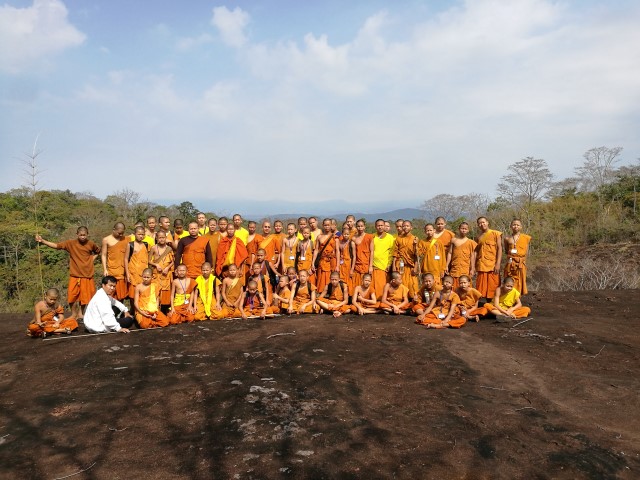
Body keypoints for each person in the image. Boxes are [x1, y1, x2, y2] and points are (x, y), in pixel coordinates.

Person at [35, 226, 100, 319]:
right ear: (77, 234)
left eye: (84, 235)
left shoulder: (91, 244)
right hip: (75, 274)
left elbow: (98, 251)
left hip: (87, 274)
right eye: (81, 235)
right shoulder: (70, 243)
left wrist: (91, 260)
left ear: (87, 234)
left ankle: (81, 314)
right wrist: (43, 241)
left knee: (85, 297)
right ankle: (73, 314)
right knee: (71, 296)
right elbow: (57, 246)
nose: (82, 237)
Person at [475, 217, 502, 300]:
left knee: (493, 286)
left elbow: (499, 248)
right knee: (480, 287)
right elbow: (475, 251)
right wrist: (473, 265)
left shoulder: (496, 234)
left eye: (483, 222)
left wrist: (498, 264)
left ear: (487, 222)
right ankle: (481, 304)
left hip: (492, 265)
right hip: (481, 264)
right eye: (480, 223)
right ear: (478, 225)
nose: (482, 224)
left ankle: (493, 303)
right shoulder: (478, 237)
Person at [101, 222, 129, 301]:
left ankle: (120, 309)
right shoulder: (106, 240)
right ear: (114, 230)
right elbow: (103, 255)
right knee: (110, 294)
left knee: (121, 296)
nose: (121, 235)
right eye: (119, 233)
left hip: (122, 271)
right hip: (112, 270)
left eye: (122, 233)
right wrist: (105, 269)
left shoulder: (127, 239)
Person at [503, 219, 531, 295]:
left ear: (521, 227)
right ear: (510, 226)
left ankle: (518, 298)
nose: (516, 226)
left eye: (518, 225)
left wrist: (521, 260)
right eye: (514, 225)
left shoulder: (526, 238)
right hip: (510, 262)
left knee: (520, 281)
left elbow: (526, 252)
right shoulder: (507, 238)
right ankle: (509, 297)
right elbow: (506, 251)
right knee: (509, 280)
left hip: (520, 263)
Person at [148, 230, 174, 311]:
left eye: (163, 237)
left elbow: (173, 261)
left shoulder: (169, 248)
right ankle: (156, 310)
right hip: (157, 274)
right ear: (156, 238)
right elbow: (149, 261)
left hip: (166, 274)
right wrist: (156, 265)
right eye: (160, 238)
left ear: (166, 238)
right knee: (156, 292)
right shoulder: (153, 248)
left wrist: (167, 268)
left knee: (165, 293)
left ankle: (164, 310)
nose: (162, 239)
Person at [393, 220, 419, 298]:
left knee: (413, 285)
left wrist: (416, 267)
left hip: (411, 266)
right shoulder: (398, 238)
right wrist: (394, 266)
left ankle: (412, 299)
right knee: (401, 283)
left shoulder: (415, 238)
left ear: (411, 227)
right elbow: (395, 253)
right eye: (404, 226)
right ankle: (402, 299)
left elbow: (417, 255)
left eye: (407, 226)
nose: (405, 227)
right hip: (400, 265)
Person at [312, 219, 340, 292]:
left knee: (332, 277)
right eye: (325, 225)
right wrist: (313, 263)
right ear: (322, 225)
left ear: (331, 225)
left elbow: (337, 251)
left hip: (332, 261)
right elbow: (316, 250)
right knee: (321, 276)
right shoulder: (319, 237)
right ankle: (321, 292)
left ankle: (330, 292)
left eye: (328, 225)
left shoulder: (335, 238)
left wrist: (337, 265)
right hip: (322, 260)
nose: (327, 227)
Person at [446, 222, 477, 289]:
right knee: (453, 287)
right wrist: (446, 265)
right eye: (462, 228)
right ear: (459, 229)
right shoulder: (453, 240)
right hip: (455, 267)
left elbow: (472, 256)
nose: (463, 230)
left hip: (465, 268)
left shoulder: (471, 242)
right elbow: (450, 253)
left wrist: (472, 268)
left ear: (468, 230)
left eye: (465, 229)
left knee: (465, 286)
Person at [125, 226, 151, 300]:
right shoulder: (130, 245)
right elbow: (126, 259)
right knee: (132, 295)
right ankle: (133, 307)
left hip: (144, 274)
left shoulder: (146, 244)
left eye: (142, 234)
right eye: (139, 234)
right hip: (133, 274)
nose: (141, 236)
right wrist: (127, 274)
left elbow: (148, 259)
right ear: (134, 234)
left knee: (143, 295)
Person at [372, 219, 395, 298]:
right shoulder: (372, 236)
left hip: (384, 266)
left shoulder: (390, 238)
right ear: (375, 227)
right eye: (378, 225)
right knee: (373, 286)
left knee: (382, 287)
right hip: (373, 265)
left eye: (381, 225)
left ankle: (381, 300)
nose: (380, 227)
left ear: (384, 226)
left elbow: (391, 252)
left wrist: (389, 264)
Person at [351, 220, 374, 290]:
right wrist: (352, 268)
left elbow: (372, 252)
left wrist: (370, 266)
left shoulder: (369, 237)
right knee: (357, 284)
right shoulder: (354, 238)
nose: (360, 228)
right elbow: (354, 255)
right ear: (356, 227)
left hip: (366, 264)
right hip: (358, 264)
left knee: (366, 283)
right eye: (358, 226)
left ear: (364, 227)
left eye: (361, 226)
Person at [337, 224, 355, 295]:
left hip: (348, 264)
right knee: (341, 280)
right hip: (341, 264)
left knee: (348, 280)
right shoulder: (340, 242)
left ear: (350, 235)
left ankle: (349, 295)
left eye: (347, 234)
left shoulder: (351, 243)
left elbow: (354, 257)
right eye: (344, 234)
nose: (346, 235)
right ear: (342, 234)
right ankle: (341, 294)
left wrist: (352, 269)